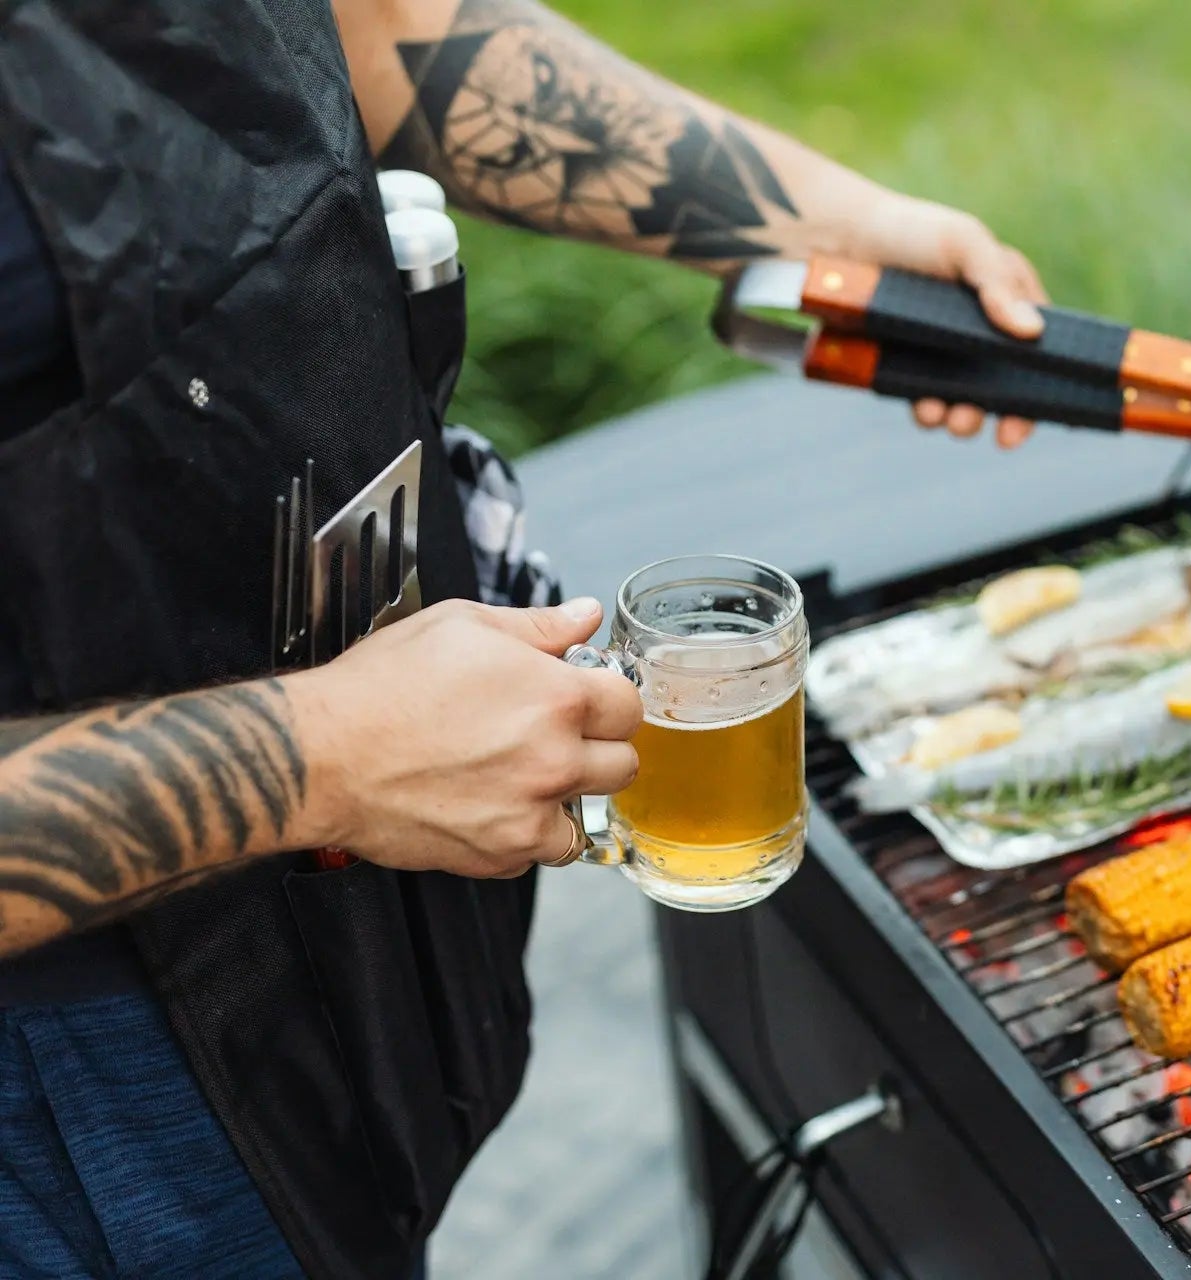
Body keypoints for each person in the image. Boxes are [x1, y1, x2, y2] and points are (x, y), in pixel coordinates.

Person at [0, 1, 1047, 1276]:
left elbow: (348, 24)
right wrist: (319, 755)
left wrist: (813, 221)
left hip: (331, 946)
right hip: (70, 1089)